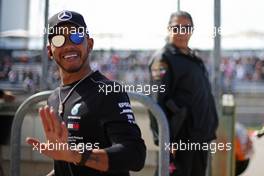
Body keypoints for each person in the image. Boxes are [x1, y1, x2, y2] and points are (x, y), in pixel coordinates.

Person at [26, 10, 146, 176]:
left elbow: (135, 155)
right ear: (49, 51)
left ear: (89, 44)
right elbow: (66, 162)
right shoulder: (54, 98)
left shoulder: (108, 91)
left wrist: (75, 154)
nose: (68, 45)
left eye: (76, 37)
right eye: (59, 39)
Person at [149, 11, 218, 176]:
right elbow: (156, 102)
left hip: (200, 137)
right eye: (176, 27)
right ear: (168, 29)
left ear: (192, 30)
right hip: (179, 141)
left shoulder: (193, 57)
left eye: (186, 28)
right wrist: (165, 140)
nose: (181, 32)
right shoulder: (164, 58)